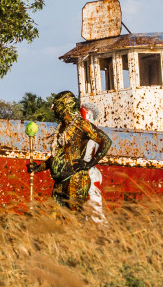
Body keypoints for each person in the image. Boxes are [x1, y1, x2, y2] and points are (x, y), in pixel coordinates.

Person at [26, 91, 112, 221]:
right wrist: (37, 168)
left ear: (64, 106)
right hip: (59, 184)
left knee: (76, 219)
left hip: (75, 180)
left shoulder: (81, 125)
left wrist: (89, 163)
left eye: (55, 105)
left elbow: (105, 141)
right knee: (55, 219)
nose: (52, 108)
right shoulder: (61, 128)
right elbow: (55, 157)